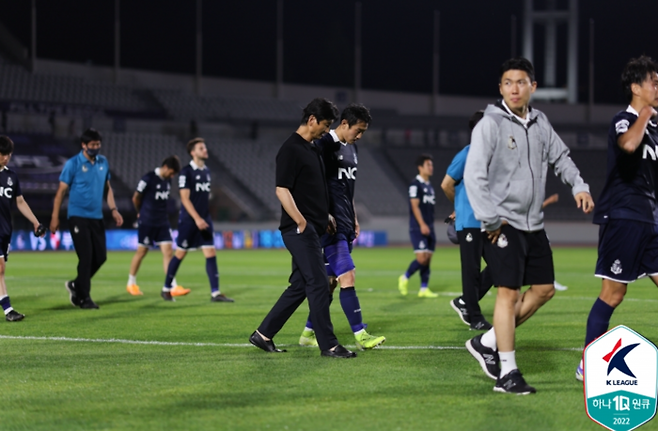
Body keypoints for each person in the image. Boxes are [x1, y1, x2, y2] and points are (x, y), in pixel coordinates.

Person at [463, 57, 594, 394]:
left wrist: (579, 185)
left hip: (533, 224)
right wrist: (490, 218)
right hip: (502, 223)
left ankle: (488, 341)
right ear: (501, 88)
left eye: (521, 82)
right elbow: (473, 175)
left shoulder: (540, 122)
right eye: (508, 82)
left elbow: (561, 157)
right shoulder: (490, 125)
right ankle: (508, 373)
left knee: (544, 290)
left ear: (533, 87)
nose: (514, 89)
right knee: (508, 294)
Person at [249, 98, 356, 359]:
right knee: (319, 283)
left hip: (315, 227)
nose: (326, 129)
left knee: (299, 285)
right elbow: (281, 189)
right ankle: (329, 345)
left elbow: (313, 190)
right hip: (299, 231)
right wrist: (301, 221)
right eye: (325, 124)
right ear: (311, 120)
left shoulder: (311, 149)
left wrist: (326, 216)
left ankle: (262, 334)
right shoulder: (291, 149)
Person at [576, 56, 658, 382]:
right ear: (636, 87)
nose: (657, 87)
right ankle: (588, 363)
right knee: (613, 294)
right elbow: (629, 145)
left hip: (650, 219)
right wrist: (647, 114)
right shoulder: (624, 120)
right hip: (623, 216)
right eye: (654, 81)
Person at [298, 103, 386, 350]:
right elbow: (312, 183)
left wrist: (355, 216)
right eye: (358, 130)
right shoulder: (323, 145)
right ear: (344, 123)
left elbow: (348, 190)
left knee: (330, 282)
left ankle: (307, 333)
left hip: (346, 222)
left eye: (363, 132)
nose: (359, 136)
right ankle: (361, 335)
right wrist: (323, 214)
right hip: (330, 226)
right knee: (348, 276)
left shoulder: (352, 149)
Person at [51, 128, 124, 309]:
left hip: (96, 217)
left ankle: (77, 284)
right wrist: (54, 217)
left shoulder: (103, 162)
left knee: (100, 257)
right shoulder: (73, 163)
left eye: (98, 144)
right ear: (83, 145)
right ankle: (84, 298)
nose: (96, 147)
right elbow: (60, 192)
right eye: (92, 145)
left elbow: (107, 188)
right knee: (86, 256)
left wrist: (114, 209)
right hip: (77, 216)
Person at [160, 138, 232, 303]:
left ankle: (215, 293)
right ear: (193, 152)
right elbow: (184, 199)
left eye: (205, 148)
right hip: (189, 220)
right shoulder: (186, 172)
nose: (205, 150)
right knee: (180, 253)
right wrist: (197, 218)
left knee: (210, 252)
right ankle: (166, 289)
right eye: (201, 148)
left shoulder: (206, 171)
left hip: (204, 219)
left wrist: (203, 217)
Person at [442, 111, 494, 331]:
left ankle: (465, 301)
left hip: (488, 223)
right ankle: (474, 316)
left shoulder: (492, 157)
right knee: (471, 270)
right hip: (470, 222)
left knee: (501, 264)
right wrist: (459, 209)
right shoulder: (467, 154)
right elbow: (446, 184)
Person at [126, 155, 190, 297]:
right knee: (142, 252)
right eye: (172, 172)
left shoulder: (167, 180)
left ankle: (171, 285)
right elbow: (136, 197)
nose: (172, 176)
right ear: (165, 167)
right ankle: (131, 283)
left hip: (162, 221)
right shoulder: (148, 178)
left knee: (168, 252)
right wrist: (140, 212)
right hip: (147, 221)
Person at [0, 136, 46, 321]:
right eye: (2, 154)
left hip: (4, 230)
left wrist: (35, 222)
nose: (6, 158)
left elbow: (19, 202)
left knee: (1, 269)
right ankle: (8, 309)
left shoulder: (11, 177)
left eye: (8, 154)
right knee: (0, 269)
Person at [398, 154, 439, 298]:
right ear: (420, 167)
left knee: (428, 258)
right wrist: (422, 224)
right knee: (421, 258)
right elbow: (415, 206)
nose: (431, 167)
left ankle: (423, 288)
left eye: (432, 165)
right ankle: (404, 278)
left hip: (430, 226)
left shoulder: (430, 186)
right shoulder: (415, 185)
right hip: (418, 227)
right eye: (428, 165)